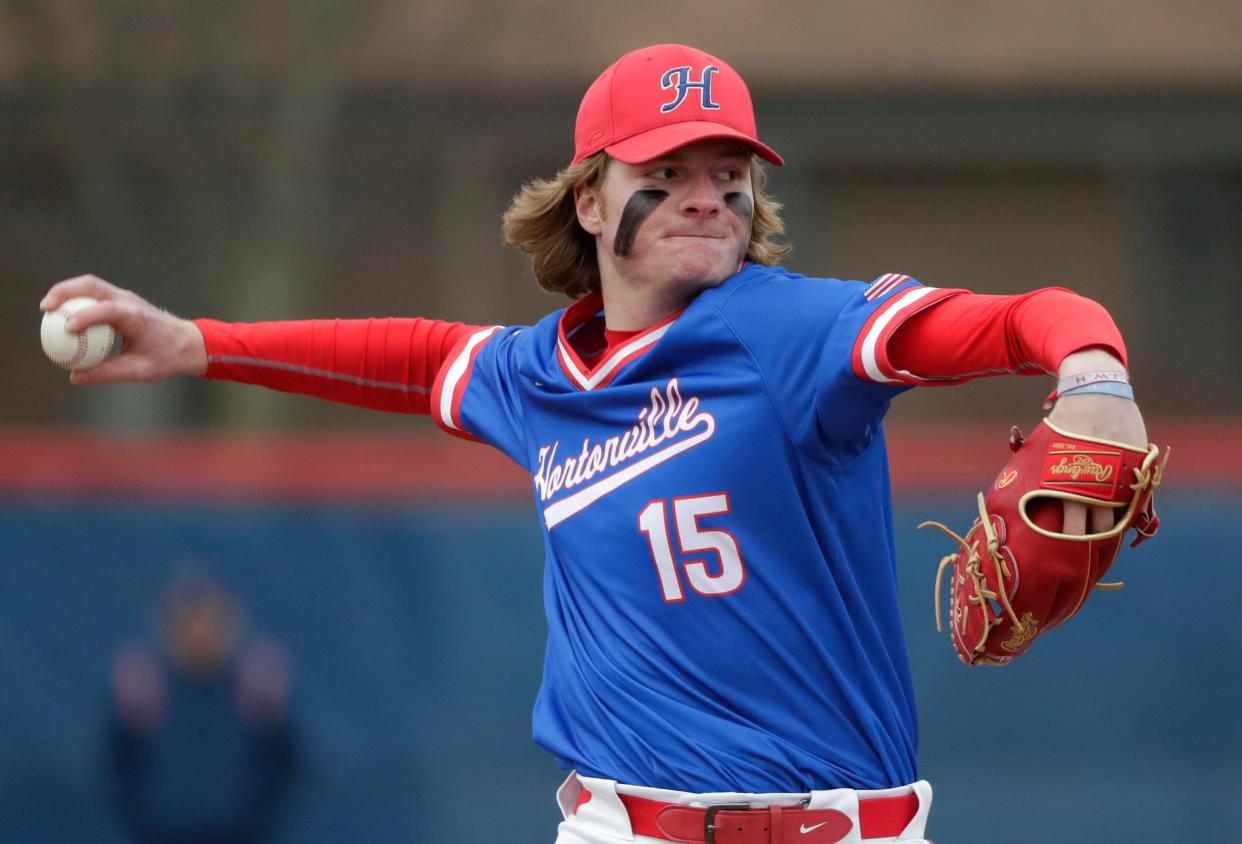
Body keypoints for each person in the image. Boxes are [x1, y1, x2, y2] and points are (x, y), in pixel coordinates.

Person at [48, 43, 1146, 844]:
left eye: (729, 172)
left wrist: (1093, 370)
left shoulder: (791, 330)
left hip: (837, 827)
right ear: (587, 198)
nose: (706, 195)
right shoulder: (539, 376)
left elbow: (1019, 317)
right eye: (664, 172)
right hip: (616, 825)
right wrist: (194, 341)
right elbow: (408, 356)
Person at [106, 571, 298, 844]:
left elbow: (287, 769)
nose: (199, 632)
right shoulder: (145, 690)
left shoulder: (256, 689)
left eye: (210, 621)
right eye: (188, 621)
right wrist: (145, 822)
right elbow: (118, 770)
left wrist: (256, 823)